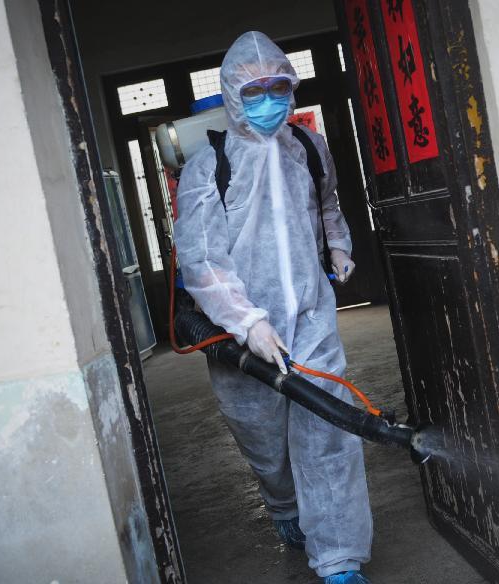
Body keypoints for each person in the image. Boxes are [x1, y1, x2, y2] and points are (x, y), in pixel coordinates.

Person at [174, 31, 373, 584]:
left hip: (311, 318)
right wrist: (248, 322)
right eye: (255, 90)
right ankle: (284, 506)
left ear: (293, 90)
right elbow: (203, 261)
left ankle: (338, 558)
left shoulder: (308, 147)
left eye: (279, 88)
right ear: (233, 95)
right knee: (263, 437)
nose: (269, 100)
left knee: (328, 432)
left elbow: (327, 201)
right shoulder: (207, 165)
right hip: (240, 335)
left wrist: (338, 244)